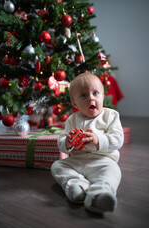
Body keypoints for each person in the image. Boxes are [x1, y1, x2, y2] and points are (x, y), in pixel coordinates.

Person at [51, 72, 124, 214]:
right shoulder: (72, 119)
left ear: (103, 97)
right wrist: (67, 142)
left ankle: (99, 195)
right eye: (84, 95)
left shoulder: (111, 115)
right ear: (74, 103)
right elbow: (61, 141)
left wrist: (98, 140)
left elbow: (117, 139)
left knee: (113, 171)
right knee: (57, 166)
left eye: (95, 93)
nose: (91, 98)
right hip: (77, 161)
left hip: (102, 161)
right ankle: (77, 186)